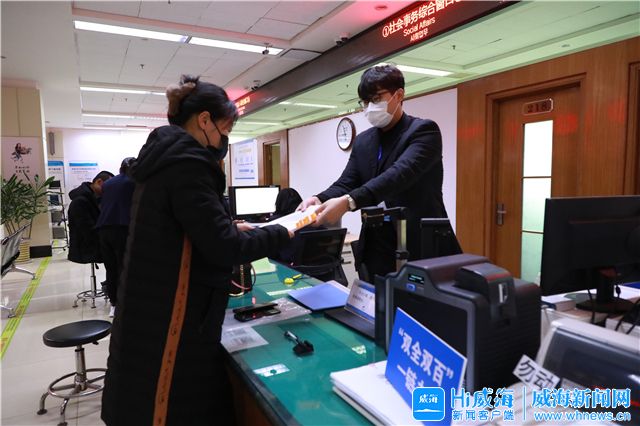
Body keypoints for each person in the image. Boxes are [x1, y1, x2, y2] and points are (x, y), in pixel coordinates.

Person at [101, 75, 293, 426]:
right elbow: (227, 249)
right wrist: (286, 230)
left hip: (147, 312)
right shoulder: (187, 165)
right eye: (224, 129)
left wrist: (226, 225)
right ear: (204, 120)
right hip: (172, 326)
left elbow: (180, 228)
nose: (224, 140)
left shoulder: (161, 161)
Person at [299, 64, 449, 280]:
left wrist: (348, 202)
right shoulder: (364, 141)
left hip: (420, 244)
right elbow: (347, 181)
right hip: (377, 246)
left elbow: (397, 176)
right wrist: (319, 198)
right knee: (375, 298)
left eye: (376, 98)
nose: (370, 107)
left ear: (399, 95)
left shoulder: (423, 132)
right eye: (365, 101)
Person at [96, 157, 136, 318]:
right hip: (122, 229)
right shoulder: (133, 183)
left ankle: (113, 304)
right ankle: (125, 303)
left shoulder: (108, 184)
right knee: (123, 267)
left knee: (110, 268)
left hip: (103, 230)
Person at [67, 170, 114, 264]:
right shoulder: (80, 201)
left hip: (95, 245)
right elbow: (87, 229)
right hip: (86, 249)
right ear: (99, 182)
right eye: (109, 186)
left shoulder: (96, 198)